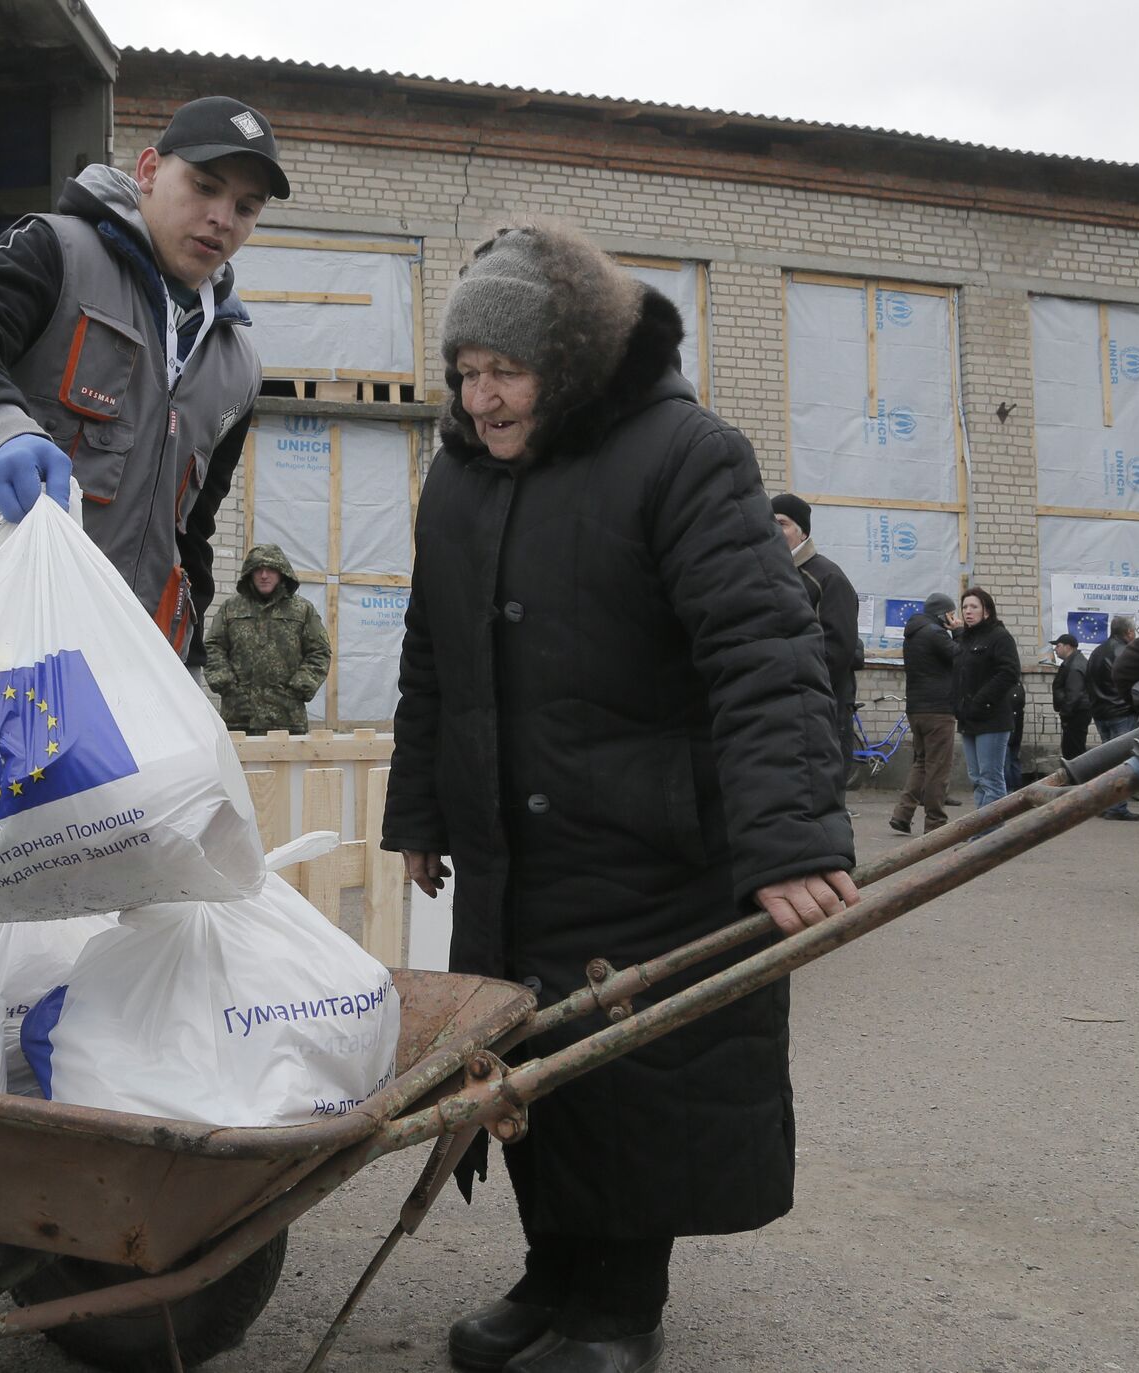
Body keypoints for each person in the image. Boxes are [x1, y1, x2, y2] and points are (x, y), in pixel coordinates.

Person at [382, 221, 856, 1373]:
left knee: (634, 1067)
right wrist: (421, 815)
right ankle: (552, 1275)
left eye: (505, 372)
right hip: (510, 846)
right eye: (464, 374)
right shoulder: (456, 477)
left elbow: (764, 648)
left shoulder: (684, 453)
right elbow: (430, 656)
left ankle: (619, 1305)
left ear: (572, 363)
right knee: (524, 1067)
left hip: (649, 841)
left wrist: (789, 837)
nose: (481, 398)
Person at [0, 97, 289, 674]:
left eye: (246, 207)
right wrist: (2, 430)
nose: (222, 217)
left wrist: (186, 662)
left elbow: (192, 530)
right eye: (203, 186)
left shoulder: (237, 366)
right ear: (147, 172)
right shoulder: (59, 252)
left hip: (106, 669)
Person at [770, 493, 863, 761]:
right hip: (783, 708)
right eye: (770, 523)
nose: (774, 530)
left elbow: (837, 649)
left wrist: (799, 689)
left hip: (821, 709)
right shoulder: (773, 576)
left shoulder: (827, 577)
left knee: (820, 788)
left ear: (803, 533)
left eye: (782, 523)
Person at [202, 544, 331, 734]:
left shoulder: (302, 610)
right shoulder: (231, 608)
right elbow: (213, 647)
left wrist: (299, 688)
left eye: (270, 570)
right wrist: (228, 686)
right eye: (258, 570)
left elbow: (320, 651)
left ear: (282, 573)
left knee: (285, 765)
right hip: (238, 718)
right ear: (249, 574)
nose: (264, 575)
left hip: (287, 719)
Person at [889, 592, 961, 835]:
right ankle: (935, 822)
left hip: (917, 709)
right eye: (952, 614)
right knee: (938, 766)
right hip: (938, 709)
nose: (955, 618)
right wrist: (958, 631)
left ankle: (902, 814)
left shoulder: (914, 632)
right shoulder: (936, 633)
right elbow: (959, 657)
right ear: (943, 615)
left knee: (921, 763)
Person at [951, 587, 1022, 812]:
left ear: (987, 611)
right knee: (976, 778)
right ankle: (981, 830)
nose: (968, 611)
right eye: (965, 607)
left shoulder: (999, 637)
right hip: (968, 719)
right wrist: (958, 705)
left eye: (974, 607)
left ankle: (992, 834)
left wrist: (980, 700)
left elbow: (1009, 672)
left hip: (992, 719)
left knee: (991, 778)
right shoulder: (965, 639)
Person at [1085, 615, 1139, 819]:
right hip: (1122, 713)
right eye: (1133, 632)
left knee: (1108, 761)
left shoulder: (1097, 652)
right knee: (1123, 762)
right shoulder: (1126, 653)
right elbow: (1135, 683)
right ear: (1128, 633)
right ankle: (1117, 808)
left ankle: (1107, 805)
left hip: (1101, 714)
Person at [1051, 633, 1092, 759]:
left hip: (1076, 715)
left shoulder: (1075, 666)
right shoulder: (1073, 662)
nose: (1055, 649)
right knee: (1072, 749)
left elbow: (1074, 694)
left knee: (1073, 752)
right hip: (1076, 713)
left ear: (1068, 647)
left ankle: (1078, 777)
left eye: (1058, 646)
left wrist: (1065, 714)